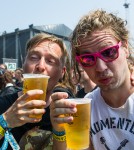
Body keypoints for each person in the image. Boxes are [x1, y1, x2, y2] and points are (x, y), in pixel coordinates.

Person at [50, 9, 134, 150]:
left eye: (108, 52)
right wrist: (59, 130)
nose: (100, 67)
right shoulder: (87, 106)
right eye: (88, 58)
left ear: (125, 48)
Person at [0, 33, 68, 149]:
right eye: (34, 58)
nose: (40, 66)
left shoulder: (67, 113)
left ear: (62, 72)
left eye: (50, 61)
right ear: (23, 64)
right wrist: (6, 120)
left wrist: (59, 131)